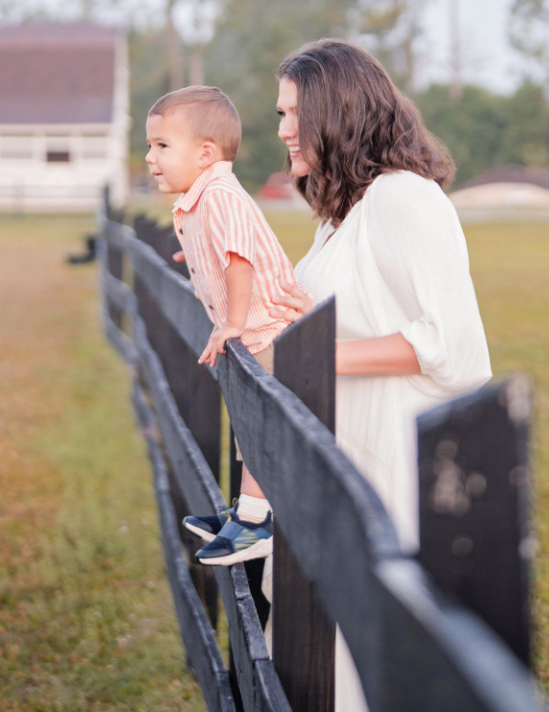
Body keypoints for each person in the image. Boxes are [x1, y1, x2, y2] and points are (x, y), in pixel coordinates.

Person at [271, 40, 492, 711]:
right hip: (342, 450)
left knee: (369, 659)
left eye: (294, 114)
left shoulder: (404, 198)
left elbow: (453, 346)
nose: (282, 130)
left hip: (388, 458)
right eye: (280, 114)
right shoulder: (341, 214)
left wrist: (313, 357)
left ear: (337, 112)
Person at [145, 85, 295, 567]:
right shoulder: (203, 197)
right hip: (257, 331)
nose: (150, 158)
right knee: (249, 424)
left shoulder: (220, 196)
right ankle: (247, 513)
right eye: (150, 145)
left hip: (269, 329)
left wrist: (232, 322)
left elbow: (239, 258)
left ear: (206, 153)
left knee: (259, 426)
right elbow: (220, 255)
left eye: (162, 146)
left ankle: (254, 523)